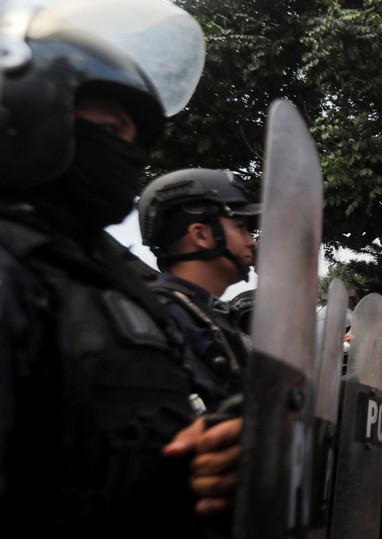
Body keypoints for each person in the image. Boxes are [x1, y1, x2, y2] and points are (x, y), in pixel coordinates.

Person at [0, 2, 240, 536]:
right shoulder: (12, 275)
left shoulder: (112, 284)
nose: (127, 152)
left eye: (136, 138)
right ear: (23, 116)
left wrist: (204, 461)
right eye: (111, 126)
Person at [138, 168, 260, 412]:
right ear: (201, 235)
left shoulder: (208, 314)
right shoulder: (161, 317)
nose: (252, 241)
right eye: (240, 227)